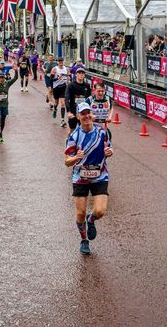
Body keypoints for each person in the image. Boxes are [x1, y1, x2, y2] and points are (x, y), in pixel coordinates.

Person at [64, 102, 113, 256]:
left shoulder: (102, 133)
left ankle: (91, 220)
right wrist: (75, 158)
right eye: (82, 114)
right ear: (78, 117)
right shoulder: (74, 136)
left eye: (88, 113)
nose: (86, 116)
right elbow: (67, 161)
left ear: (92, 115)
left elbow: (109, 148)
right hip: (81, 177)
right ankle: (84, 240)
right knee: (80, 213)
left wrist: (110, 151)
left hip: (99, 175)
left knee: (100, 211)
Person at [50, 58, 70, 125]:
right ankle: (55, 109)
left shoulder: (66, 69)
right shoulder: (54, 69)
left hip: (63, 87)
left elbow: (68, 76)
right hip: (56, 88)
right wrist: (57, 78)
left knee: (63, 103)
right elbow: (51, 79)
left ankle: (62, 120)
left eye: (61, 61)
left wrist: (68, 80)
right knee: (56, 102)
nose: (60, 62)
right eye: (59, 61)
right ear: (57, 62)